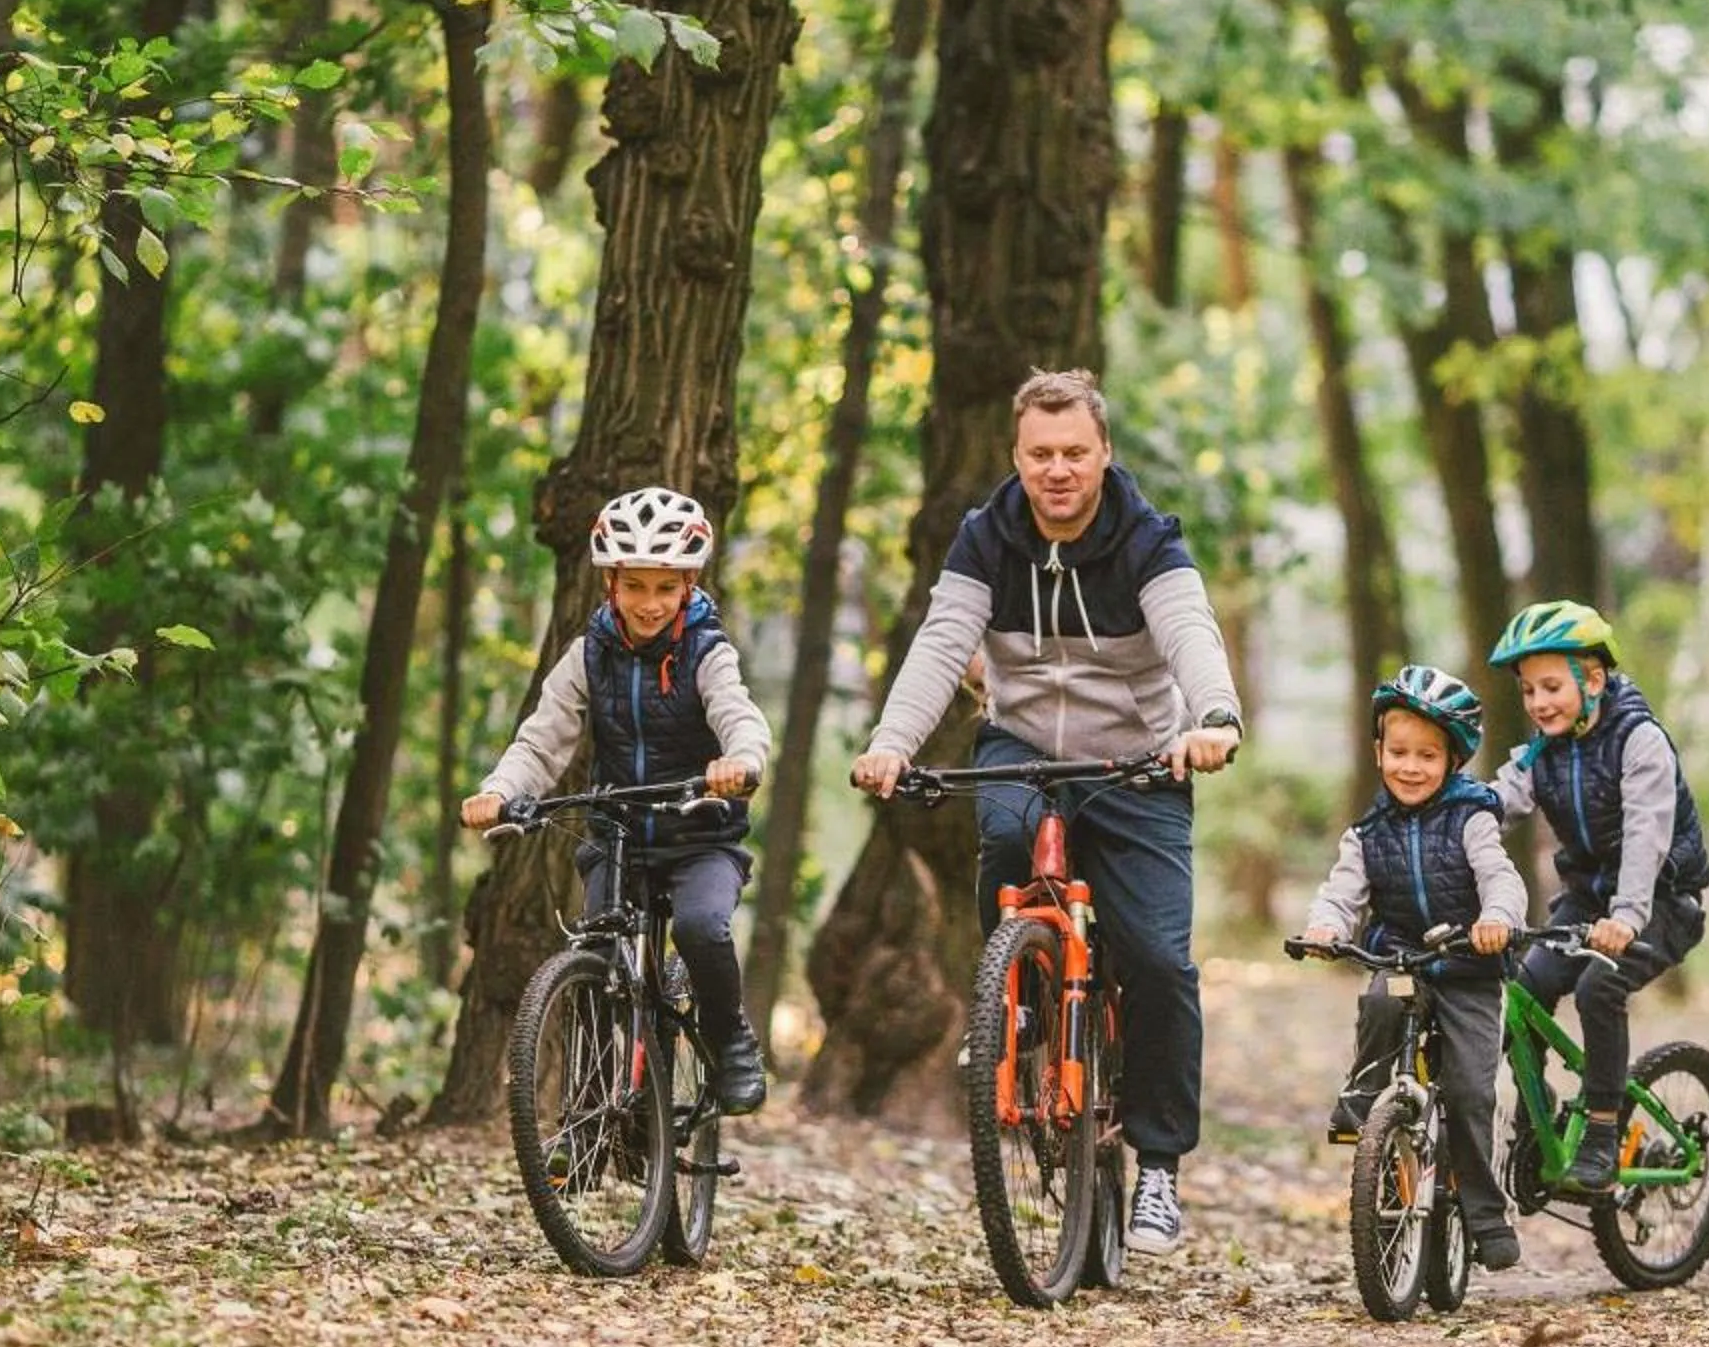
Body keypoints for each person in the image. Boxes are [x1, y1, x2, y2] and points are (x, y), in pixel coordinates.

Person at [850, 369, 1243, 1257]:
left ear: (1104, 453)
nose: (1056, 470)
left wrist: (1216, 719)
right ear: (1016, 456)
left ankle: (1159, 1167)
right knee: (1005, 835)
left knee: (1156, 958)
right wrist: (892, 742)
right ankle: (1014, 1004)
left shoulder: (1148, 540)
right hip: (1022, 745)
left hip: (1139, 761)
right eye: (1039, 455)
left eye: (1074, 453)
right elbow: (941, 643)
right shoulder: (986, 538)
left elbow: (1191, 634)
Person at [461, 487, 771, 1114]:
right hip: (620, 837)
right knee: (596, 956)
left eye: (665, 587)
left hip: (700, 835)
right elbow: (541, 740)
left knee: (701, 927)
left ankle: (731, 1042)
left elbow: (739, 716)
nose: (649, 603)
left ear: (688, 584)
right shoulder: (589, 655)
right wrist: (499, 791)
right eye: (635, 586)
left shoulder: (707, 652)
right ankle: (591, 1107)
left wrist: (740, 761)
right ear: (611, 584)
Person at [1303, 666, 1526, 1274]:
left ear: (1453, 761)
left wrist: (1497, 917)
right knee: (1381, 1000)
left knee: (1472, 1090)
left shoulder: (1471, 818)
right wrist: (1325, 928)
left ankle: (1486, 1214)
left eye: (1427, 755)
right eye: (1398, 752)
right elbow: (1342, 893)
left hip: (1470, 967)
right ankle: (1368, 1096)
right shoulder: (1367, 833)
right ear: (1378, 751)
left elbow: (1501, 878)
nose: (1410, 767)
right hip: (1405, 957)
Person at [1485, 600, 1709, 1194]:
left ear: (1592, 681)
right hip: (1588, 900)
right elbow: (1492, 806)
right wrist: (1443, 832)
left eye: (1551, 687)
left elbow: (1645, 835)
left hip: (1662, 901)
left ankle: (1604, 1129)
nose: (1539, 703)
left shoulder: (1638, 741)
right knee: (1527, 986)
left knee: (1598, 987)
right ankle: (1537, 1115)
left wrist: (1628, 916)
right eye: (1528, 690)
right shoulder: (1542, 752)